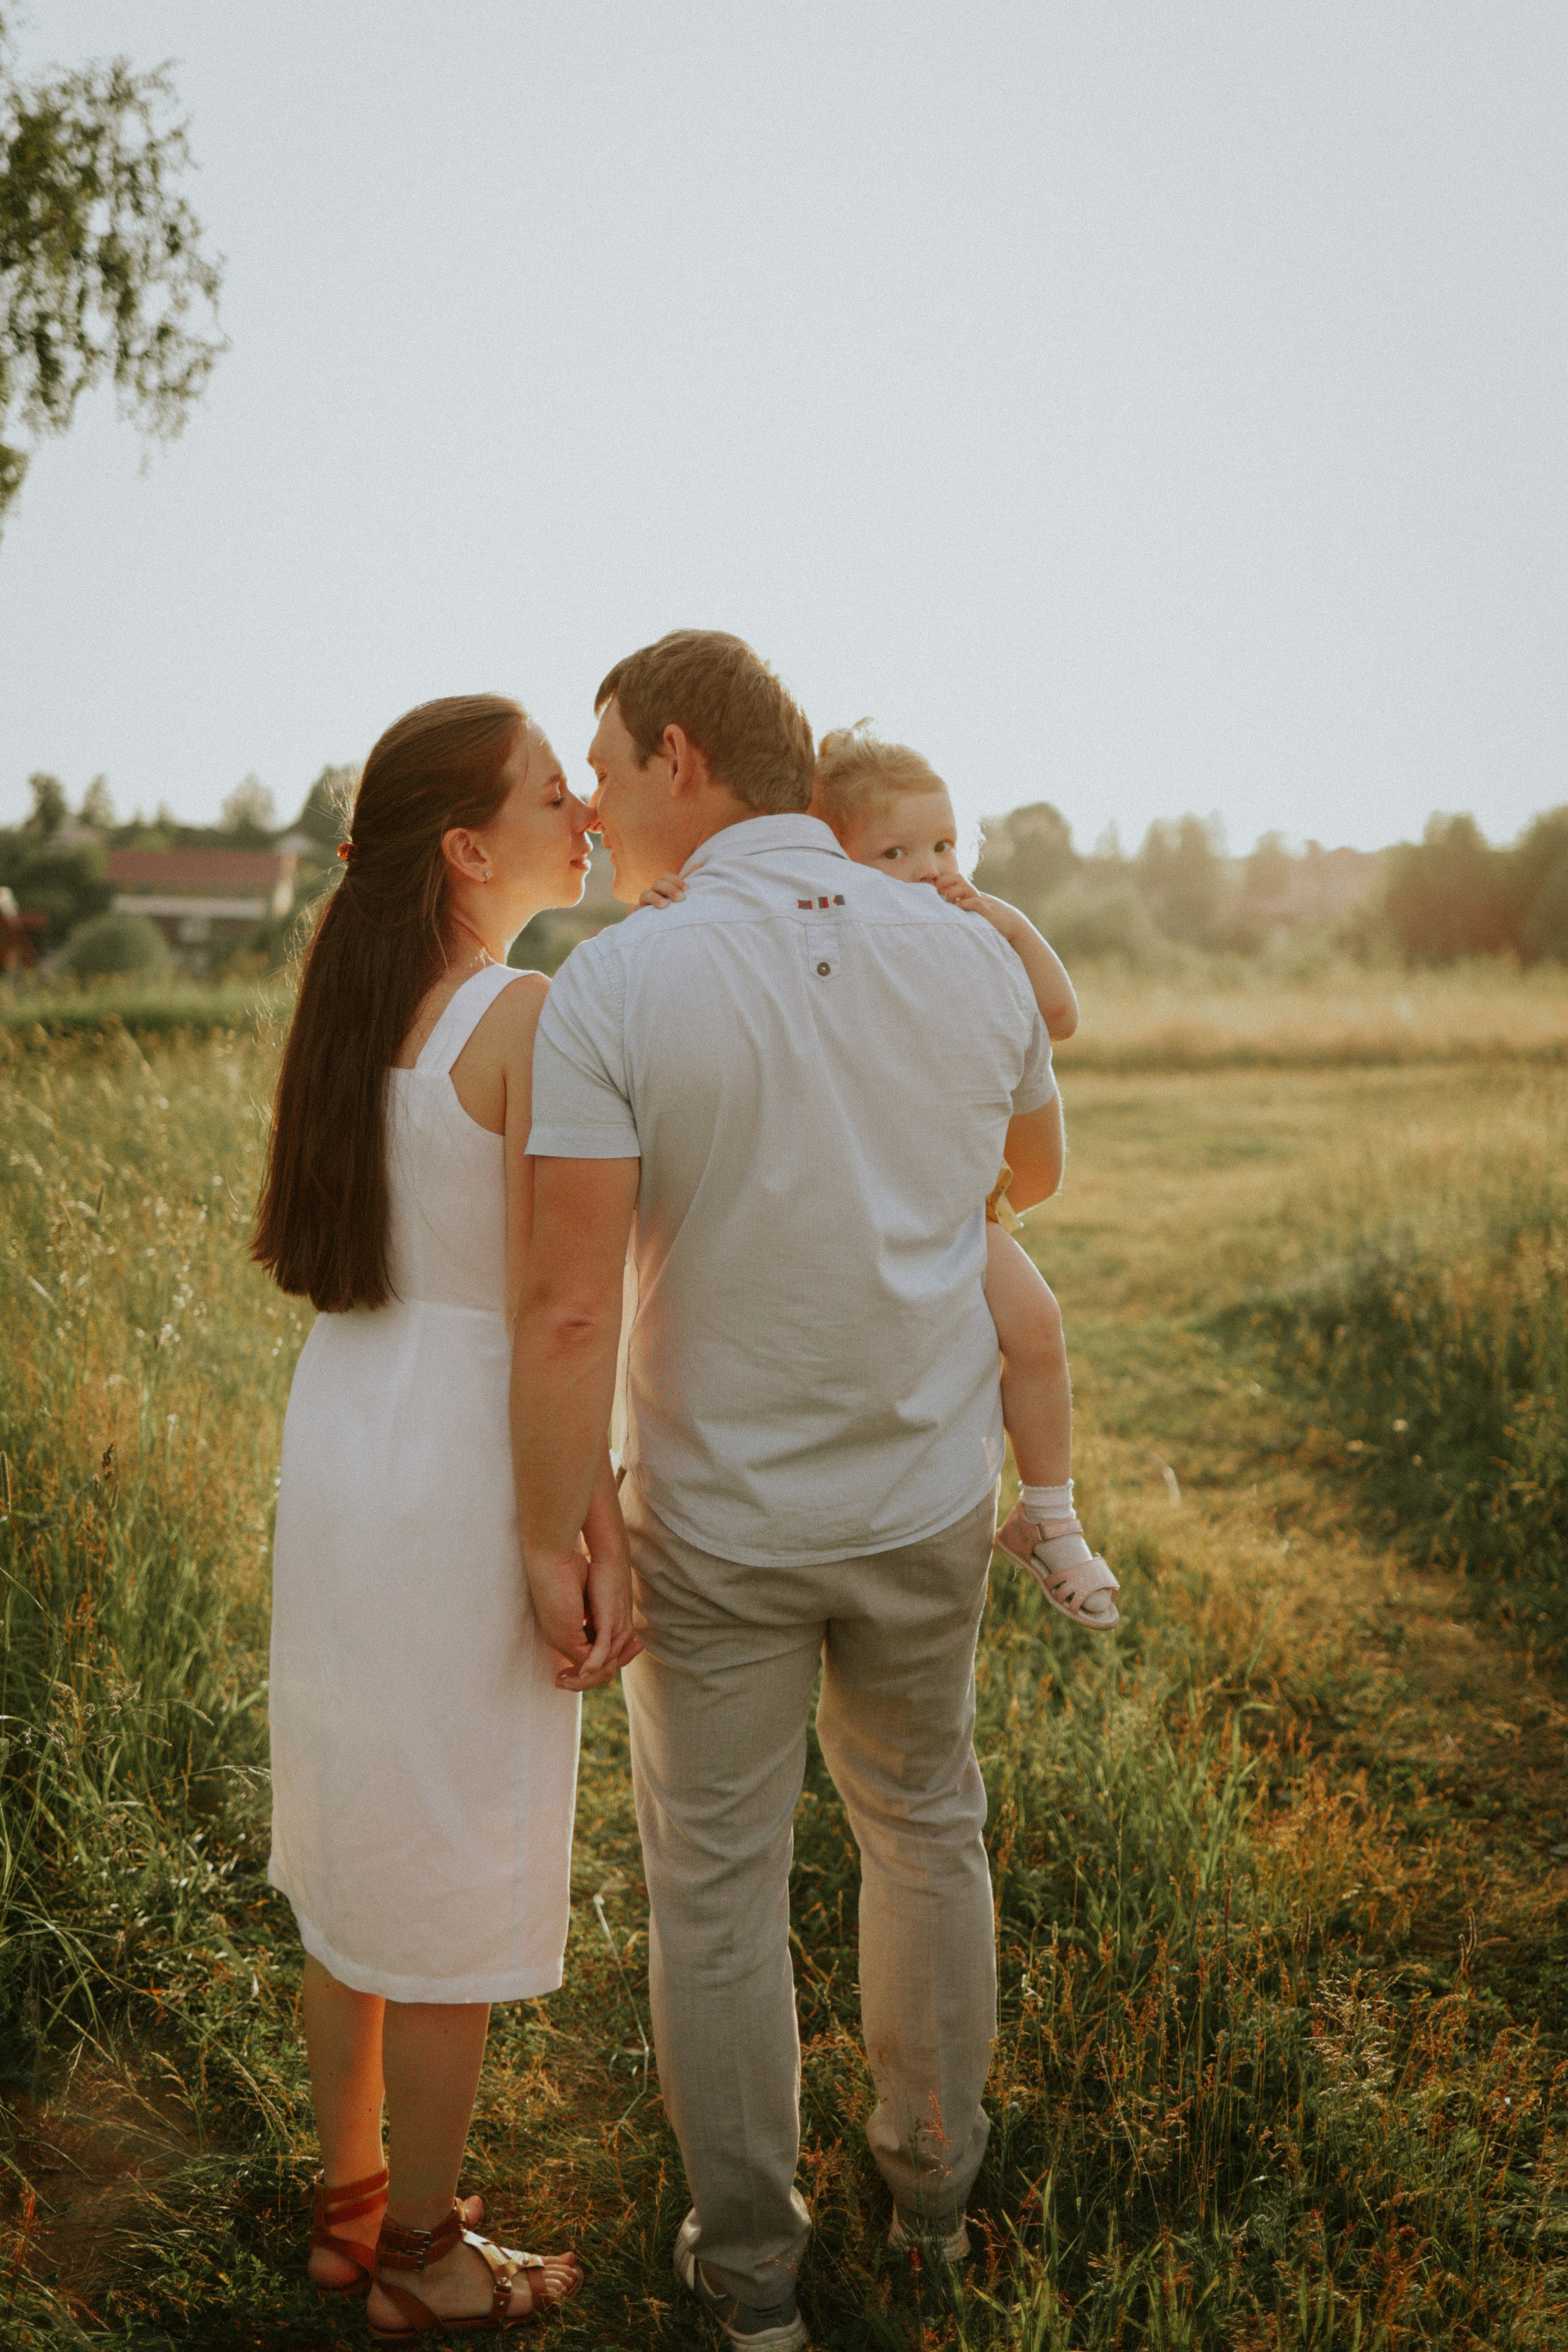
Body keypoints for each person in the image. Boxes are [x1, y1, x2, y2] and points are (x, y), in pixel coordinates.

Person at [511, 631, 1064, 2352]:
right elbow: (1028, 1175)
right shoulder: (970, 953)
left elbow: (570, 1301)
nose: (591, 798)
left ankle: (751, 2286)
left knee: (720, 1889)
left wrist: (551, 1524)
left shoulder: (618, 983)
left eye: (603, 762)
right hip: (918, 1497)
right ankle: (936, 2212)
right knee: (928, 1830)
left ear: (681, 757)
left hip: (721, 1517)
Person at [253, 694, 637, 2339]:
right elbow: (561, 1312)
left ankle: (351, 2207)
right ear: (472, 848)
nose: (590, 808)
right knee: (457, 1855)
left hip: (347, 1432)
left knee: (353, 1837)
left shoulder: (359, 1010)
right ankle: (420, 2256)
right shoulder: (525, 1012)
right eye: (560, 792)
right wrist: (579, 1527)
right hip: (463, 1460)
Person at [650, 723, 1118, 1631]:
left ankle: (1049, 1514)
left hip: (955, 1205)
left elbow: (1057, 1018)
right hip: (844, 1201)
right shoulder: (805, 940)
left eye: (943, 845)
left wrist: (1004, 920)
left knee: (1038, 1323)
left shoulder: (971, 932)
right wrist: (678, 900)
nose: (929, 868)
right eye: (895, 852)